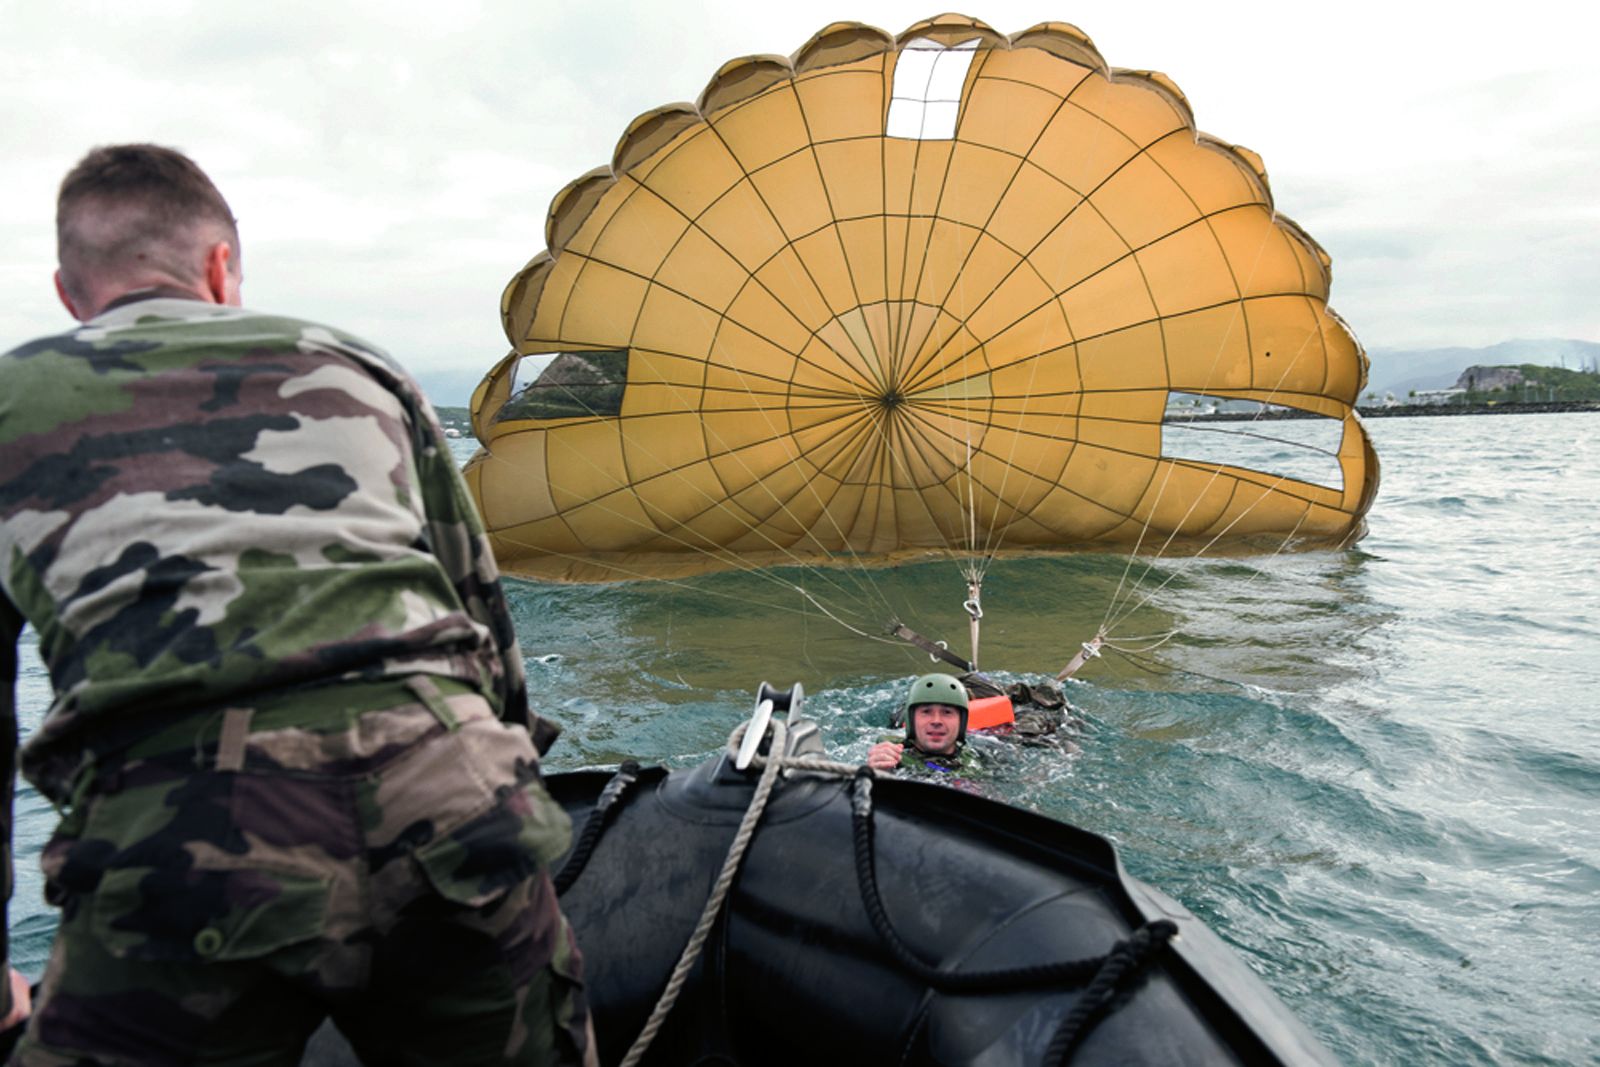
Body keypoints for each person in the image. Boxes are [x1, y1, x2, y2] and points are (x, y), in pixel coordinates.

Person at [0, 144, 594, 1065]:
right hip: (450, 795)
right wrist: (504, 804)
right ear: (220, 268)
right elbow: (480, 616)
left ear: (69, 294)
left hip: (187, 840)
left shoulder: (11, 403)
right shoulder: (358, 367)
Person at [867, 673, 980, 775]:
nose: (936, 721)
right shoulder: (891, 757)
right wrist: (878, 774)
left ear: (962, 721)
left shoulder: (980, 760)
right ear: (911, 720)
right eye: (926, 712)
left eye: (947, 712)